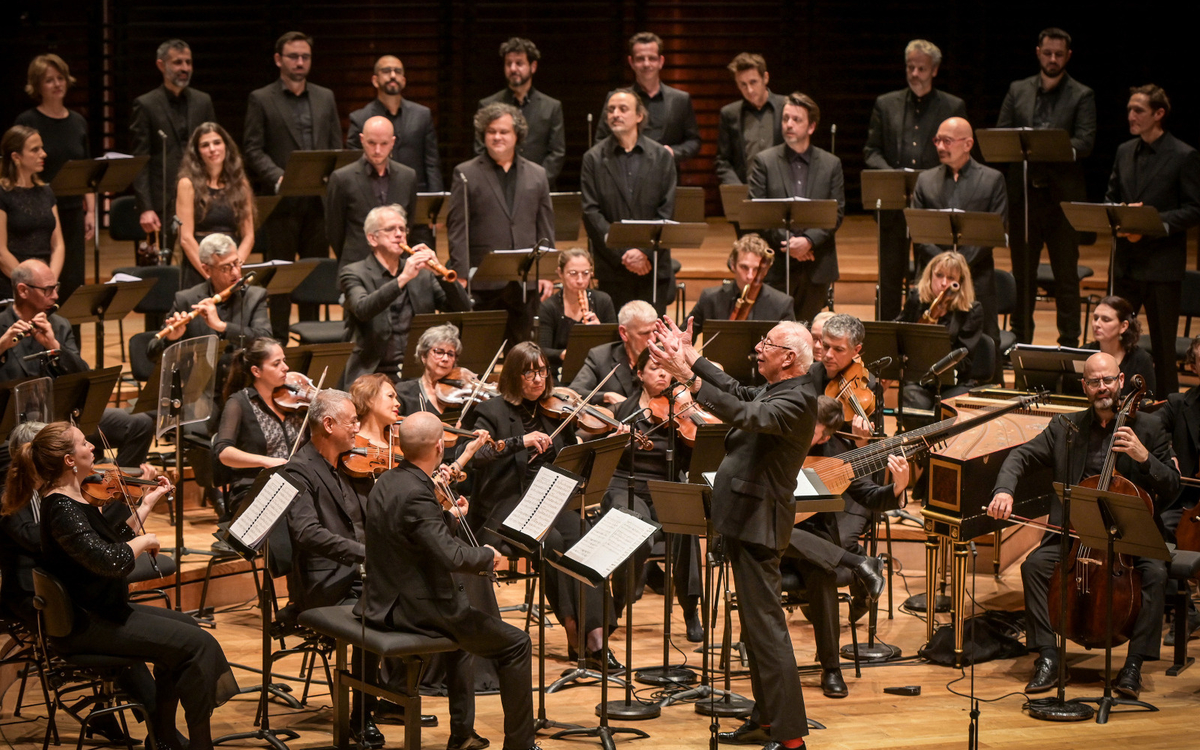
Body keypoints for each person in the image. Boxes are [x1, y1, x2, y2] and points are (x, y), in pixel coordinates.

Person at [8, 422, 237, 749]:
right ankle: (197, 744)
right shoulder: (60, 507)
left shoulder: (75, 499)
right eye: (84, 444)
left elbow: (113, 544)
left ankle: (163, 737)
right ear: (70, 460)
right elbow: (110, 561)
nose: (93, 448)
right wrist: (144, 541)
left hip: (105, 610)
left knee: (188, 627)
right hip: (87, 623)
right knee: (196, 644)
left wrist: (147, 503)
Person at [648, 318, 817, 749]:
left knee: (767, 630)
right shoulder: (780, 388)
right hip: (745, 518)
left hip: (759, 524)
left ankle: (792, 737)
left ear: (789, 357)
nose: (758, 348)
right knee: (757, 631)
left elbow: (746, 413)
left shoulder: (798, 398)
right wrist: (693, 358)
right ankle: (766, 721)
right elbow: (740, 392)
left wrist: (688, 378)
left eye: (768, 343)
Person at [988, 352, 1178, 699]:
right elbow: (1020, 456)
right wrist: (1004, 491)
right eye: (1094, 381)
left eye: (1108, 380)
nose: (1102, 387)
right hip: (1075, 538)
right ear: (1084, 386)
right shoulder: (1066, 427)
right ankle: (1048, 656)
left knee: (1155, 574)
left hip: (1131, 541)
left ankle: (1133, 665)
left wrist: (1143, 458)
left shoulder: (1149, 428)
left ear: (1121, 382)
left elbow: (1172, 485)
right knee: (1034, 567)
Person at [358, 411, 539, 750]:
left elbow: (413, 537)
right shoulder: (417, 492)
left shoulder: (388, 480)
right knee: (517, 643)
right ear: (440, 447)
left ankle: (463, 733)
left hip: (384, 597)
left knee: (468, 636)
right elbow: (451, 557)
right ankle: (520, 745)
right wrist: (488, 556)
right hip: (416, 610)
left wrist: (447, 519)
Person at [462, 342, 618, 669]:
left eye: (542, 371)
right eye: (529, 372)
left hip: (551, 503)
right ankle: (574, 628)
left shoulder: (552, 410)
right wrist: (521, 441)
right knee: (554, 542)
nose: (537, 379)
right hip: (507, 510)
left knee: (583, 537)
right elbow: (475, 456)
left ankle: (596, 635)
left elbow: (571, 456)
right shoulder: (491, 411)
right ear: (514, 376)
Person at [279, 389, 386, 746]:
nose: (359, 427)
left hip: (360, 575)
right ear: (328, 424)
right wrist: (362, 554)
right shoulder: (299, 471)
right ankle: (360, 716)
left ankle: (391, 693)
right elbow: (307, 532)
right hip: (324, 584)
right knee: (376, 614)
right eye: (353, 420)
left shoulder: (351, 465)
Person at [780, 396, 898, 698]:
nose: (806, 434)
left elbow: (871, 496)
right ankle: (858, 562)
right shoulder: (778, 440)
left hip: (815, 546)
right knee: (776, 526)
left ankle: (831, 669)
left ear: (827, 436)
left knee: (823, 573)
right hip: (770, 542)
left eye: (814, 431)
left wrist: (899, 485)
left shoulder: (836, 455)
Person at [0, 260, 155, 467]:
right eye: (47, 290)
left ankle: (117, 494)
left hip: (64, 415)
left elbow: (82, 374)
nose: (55, 296)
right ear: (23, 290)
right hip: (16, 426)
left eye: (56, 288)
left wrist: (55, 346)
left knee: (140, 424)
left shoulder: (59, 324)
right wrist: (2, 345)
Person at [998, 28, 1095, 347]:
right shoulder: (1018, 89)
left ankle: (1068, 344)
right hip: (1024, 197)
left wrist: (1043, 146)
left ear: (1068, 56)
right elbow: (1002, 134)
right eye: (1047, 52)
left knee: (1066, 277)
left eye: (1059, 54)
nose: (1052, 59)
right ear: (1038, 52)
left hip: (1061, 201)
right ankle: (1020, 340)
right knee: (1022, 276)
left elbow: (1085, 142)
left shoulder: (1082, 94)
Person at [243, 31, 342, 339]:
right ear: (278, 60)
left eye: (305, 57)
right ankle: (279, 344)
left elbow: (336, 144)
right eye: (293, 56)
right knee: (281, 279)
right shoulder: (261, 98)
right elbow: (252, 148)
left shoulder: (325, 96)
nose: (300, 62)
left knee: (314, 273)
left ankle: (311, 339)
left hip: (317, 202)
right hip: (281, 203)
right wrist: (278, 176)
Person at [1105, 84, 1200, 398]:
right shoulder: (1124, 151)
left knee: (1163, 346)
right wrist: (1120, 216)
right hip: (1126, 264)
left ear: (1159, 114)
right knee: (1118, 341)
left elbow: (1193, 208)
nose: (1131, 116)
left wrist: (1151, 224)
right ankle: (1117, 400)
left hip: (1161, 266)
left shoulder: (1184, 155)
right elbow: (1112, 196)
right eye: (1130, 109)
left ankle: (1170, 410)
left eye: (1139, 110)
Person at [603, 348, 703, 641]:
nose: (662, 373)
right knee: (637, 532)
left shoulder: (679, 409)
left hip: (664, 484)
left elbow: (691, 459)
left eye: (665, 368)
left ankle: (690, 608)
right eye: (654, 368)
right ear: (639, 374)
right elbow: (603, 457)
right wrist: (615, 440)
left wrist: (691, 427)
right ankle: (619, 602)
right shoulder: (625, 411)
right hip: (625, 485)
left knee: (687, 526)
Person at [863, 39, 967, 321]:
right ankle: (886, 331)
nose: (915, 74)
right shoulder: (886, 104)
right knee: (889, 276)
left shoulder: (952, 105)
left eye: (921, 68)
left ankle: (924, 329)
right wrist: (892, 177)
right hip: (893, 204)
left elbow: (957, 156)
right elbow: (871, 151)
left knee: (929, 274)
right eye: (911, 67)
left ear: (934, 70)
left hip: (932, 203)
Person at [448, 103, 556, 348]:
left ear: (516, 135)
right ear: (483, 135)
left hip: (524, 280)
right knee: (480, 351)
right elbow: (457, 229)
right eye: (491, 131)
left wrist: (547, 271)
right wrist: (462, 274)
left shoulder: (537, 174)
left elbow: (545, 226)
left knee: (522, 353)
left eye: (504, 131)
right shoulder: (465, 173)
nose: (497, 137)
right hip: (483, 279)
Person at [339, 205, 469, 386]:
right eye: (391, 229)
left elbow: (463, 308)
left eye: (402, 229)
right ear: (372, 238)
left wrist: (440, 273)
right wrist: (403, 279)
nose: (399, 234)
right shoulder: (353, 273)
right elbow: (363, 309)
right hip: (375, 371)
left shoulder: (422, 274)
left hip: (420, 370)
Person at [747, 92, 845, 323]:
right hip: (777, 263)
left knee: (810, 333)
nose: (789, 124)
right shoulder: (764, 161)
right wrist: (790, 244)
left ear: (811, 127)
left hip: (816, 262)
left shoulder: (831, 164)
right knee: (775, 332)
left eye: (796, 120)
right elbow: (758, 211)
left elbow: (836, 212)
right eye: (785, 118)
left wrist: (808, 241)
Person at [911, 116, 1007, 342]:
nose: (940, 147)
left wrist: (959, 267)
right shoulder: (925, 180)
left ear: (968, 144)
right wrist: (944, 268)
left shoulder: (992, 179)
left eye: (947, 141)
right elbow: (919, 231)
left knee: (985, 342)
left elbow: (993, 232)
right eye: (937, 141)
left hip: (977, 276)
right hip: (933, 277)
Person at [581, 89, 677, 314]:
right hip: (612, 267)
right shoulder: (593, 159)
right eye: (611, 110)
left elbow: (667, 210)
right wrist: (623, 254)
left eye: (623, 109)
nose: (615, 114)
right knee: (614, 340)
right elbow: (591, 212)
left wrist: (643, 252)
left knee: (653, 341)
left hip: (652, 266)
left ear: (639, 116)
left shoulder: (661, 157)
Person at [15, 54, 93, 305]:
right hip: (40, 213)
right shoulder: (28, 121)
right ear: (38, 86)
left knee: (73, 282)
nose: (57, 84)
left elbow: (87, 168)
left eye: (61, 78)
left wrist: (90, 211)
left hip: (72, 211)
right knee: (41, 283)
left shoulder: (78, 121)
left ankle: (70, 342)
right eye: (49, 80)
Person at [129, 39, 216, 251]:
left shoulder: (203, 101)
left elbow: (215, 151)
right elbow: (140, 161)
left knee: (204, 258)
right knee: (160, 267)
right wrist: (146, 208)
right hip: (162, 201)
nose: (185, 68)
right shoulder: (146, 104)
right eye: (178, 62)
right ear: (161, 65)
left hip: (201, 197)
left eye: (188, 62)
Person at [147, 233, 271, 360]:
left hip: (243, 376)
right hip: (202, 378)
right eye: (225, 268)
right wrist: (170, 339)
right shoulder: (187, 299)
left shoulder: (255, 296)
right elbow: (152, 353)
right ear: (207, 270)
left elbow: (266, 342)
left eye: (236, 263)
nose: (235, 272)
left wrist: (223, 327)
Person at [214, 337, 304, 509]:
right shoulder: (239, 403)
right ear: (257, 371)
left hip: (296, 483)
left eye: (284, 361)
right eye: (276, 363)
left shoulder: (295, 400)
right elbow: (224, 452)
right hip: (256, 488)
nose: (285, 368)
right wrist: (266, 461)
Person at [897, 251, 990, 409]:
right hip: (920, 381)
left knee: (947, 410)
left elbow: (965, 361)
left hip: (954, 383)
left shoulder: (971, 311)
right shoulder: (916, 299)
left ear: (960, 283)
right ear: (930, 275)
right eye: (939, 275)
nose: (944, 283)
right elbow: (897, 332)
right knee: (910, 401)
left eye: (951, 278)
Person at [593, 32, 700, 165]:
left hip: (666, 176)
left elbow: (693, 141)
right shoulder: (616, 99)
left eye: (652, 58)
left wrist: (673, 152)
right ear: (631, 62)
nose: (646, 64)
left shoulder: (680, 99)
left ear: (661, 62)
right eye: (640, 59)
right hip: (625, 173)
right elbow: (601, 140)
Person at [327, 116, 418, 270]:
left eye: (384, 144)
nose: (377, 150)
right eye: (371, 143)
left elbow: (409, 222)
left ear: (393, 142)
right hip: (356, 266)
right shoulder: (342, 178)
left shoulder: (407, 177)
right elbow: (334, 230)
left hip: (397, 268)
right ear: (362, 139)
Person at [476, 37, 565, 189]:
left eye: (519, 63)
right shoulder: (487, 105)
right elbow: (480, 149)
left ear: (533, 66)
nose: (513, 68)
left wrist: (536, 181)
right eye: (508, 63)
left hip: (539, 188)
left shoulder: (552, 106)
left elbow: (557, 153)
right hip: (497, 187)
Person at [175, 122, 256, 288]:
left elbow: (249, 235)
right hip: (200, 266)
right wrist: (211, 273)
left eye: (217, 143)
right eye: (205, 145)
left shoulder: (241, 184)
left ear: (226, 146)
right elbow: (186, 238)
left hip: (231, 266)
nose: (212, 149)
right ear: (197, 152)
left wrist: (234, 268)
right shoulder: (186, 184)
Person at [347, 55, 442, 195]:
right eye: (386, 71)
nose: (393, 75)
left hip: (415, 192)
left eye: (398, 71)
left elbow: (432, 163)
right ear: (375, 80)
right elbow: (355, 166)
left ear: (403, 80)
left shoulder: (422, 115)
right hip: (375, 194)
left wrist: (435, 198)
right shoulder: (360, 118)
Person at [686, 233, 794, 337]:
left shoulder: (782, 304)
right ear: (733, 265)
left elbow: (793, 346)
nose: (750, 276)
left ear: (765, 270)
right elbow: (682, 337)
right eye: (744, 267)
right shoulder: (710, 298)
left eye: (756, 269)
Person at [0, 126, 64, 299]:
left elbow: (58, 245)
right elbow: (1, 251)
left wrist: (49, 283)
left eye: (41, 148)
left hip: (44, 289)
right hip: (13, 285)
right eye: (35, 150)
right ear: (16, 157)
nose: (43, 154)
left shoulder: (46, 191)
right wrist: (31, 285)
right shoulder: (2, 193)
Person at [538, 247, 617, 377]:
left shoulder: (603, 300)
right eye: (573, 273)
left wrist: (600, 332)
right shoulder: (549, 307)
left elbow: (616, 345)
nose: (580, 280)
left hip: (598, 371)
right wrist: (567, 354)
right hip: (559, 372)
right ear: (560, 273)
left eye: (585, 273)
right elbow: (542, 350)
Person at [715, 53, 785, 187]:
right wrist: (736, 189)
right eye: (743, 85)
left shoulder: (786, 107)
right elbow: (722, 161)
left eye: (753, 82)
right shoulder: (729, 113)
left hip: (781, 191)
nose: (750, 90)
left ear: (765, 78)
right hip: (745, 193)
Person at [568, 300, 656, 405]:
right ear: (623, 333)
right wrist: (606, 396)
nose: (653, 339)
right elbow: (574, 392)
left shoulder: (662, 357)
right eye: (645, 333)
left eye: (655, 331)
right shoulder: (601, 357)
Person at [390, 323, 476, 420]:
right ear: (423, 356)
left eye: (451, 354)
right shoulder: (403, 392)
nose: (445, 358)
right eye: (439, 352)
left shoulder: (462, 395)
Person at [1082, 296, 1155, 398]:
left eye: (1106, 320)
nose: (1097, 324)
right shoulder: (1083, 353)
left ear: (1123, 326)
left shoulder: (1141, 360)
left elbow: (1149, 401)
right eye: (1095, 318)